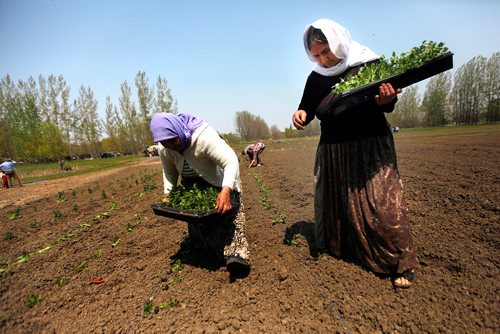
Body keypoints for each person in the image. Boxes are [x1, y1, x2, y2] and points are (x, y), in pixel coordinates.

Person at [292, 19, 417, 289]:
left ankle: (400, 262)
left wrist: (387, 99)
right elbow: (307, 107)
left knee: (382, 205)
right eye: (315, 55)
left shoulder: (368, 63)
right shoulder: (316, 78)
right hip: (334, 149)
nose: (322, 60)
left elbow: (389, 102)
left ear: (337, 42)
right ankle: (346, 251)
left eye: (325, 51)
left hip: (370, 145)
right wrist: (300, 114)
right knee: (338, 207)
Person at [150, 112, 250, 277]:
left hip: (221, 182)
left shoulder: (203, 137)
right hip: (193, 186)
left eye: (172, 140)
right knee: (199, 222)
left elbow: (231, 161)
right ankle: (205, 246)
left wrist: (225, 190)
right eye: (164, 142)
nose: (170, 146)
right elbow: (169, 172)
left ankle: (237, 254)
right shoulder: (165, 147)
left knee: (229, 216)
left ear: (178, 131)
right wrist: (169, 193)